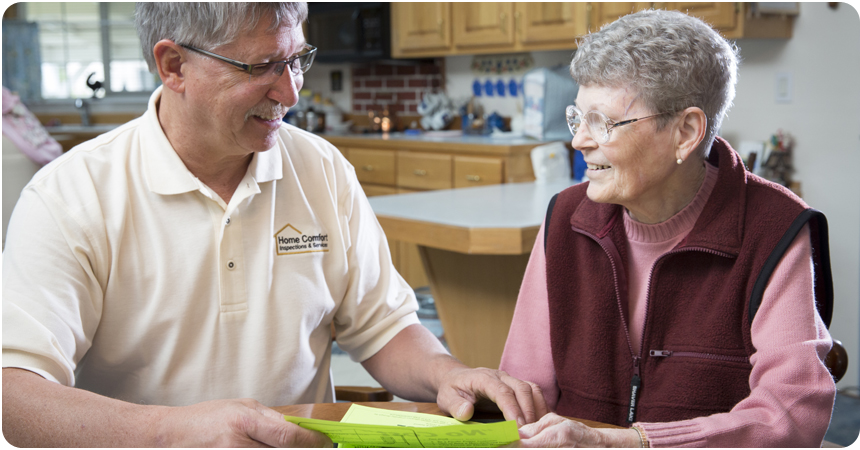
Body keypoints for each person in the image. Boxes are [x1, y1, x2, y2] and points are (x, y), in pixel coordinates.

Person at [2, 3, 546, 447]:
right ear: (173, 66)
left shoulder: (321, 168)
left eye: (297, 59)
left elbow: (383, 326)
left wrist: (445, 374)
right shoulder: (70, 196)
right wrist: (168, 432)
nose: (290, 92)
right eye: (261, 67)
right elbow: (15, 394)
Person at [500, 9, 836, 448]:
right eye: (577, 118)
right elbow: (526, 393)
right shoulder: (564, 218)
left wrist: (630, 443)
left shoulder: (773, 228)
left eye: (602, 122)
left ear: (686, 132)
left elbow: (792, 412)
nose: (579, 140)